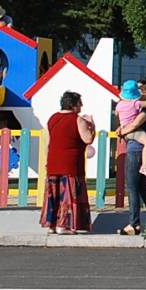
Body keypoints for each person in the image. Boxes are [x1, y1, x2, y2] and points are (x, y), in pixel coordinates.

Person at [41, 91, 94, 234]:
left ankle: (52, 224)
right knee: (69, 195)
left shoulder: (53, 118)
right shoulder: (77, 120)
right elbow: (87, 139)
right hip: (70, 162)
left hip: (53, 159)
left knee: (55, 194)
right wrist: (92, 127)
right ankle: (64, 225)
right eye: (79, 104)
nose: (81, 107)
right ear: (74, 105)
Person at [117, 80, 146, 236]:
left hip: (136, 149)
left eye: (141, 92)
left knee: (133, 188)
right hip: (145, 151)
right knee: (143, 189)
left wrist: (122, 131)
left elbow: (134, 124)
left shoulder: (145, 111)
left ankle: (134, 224)